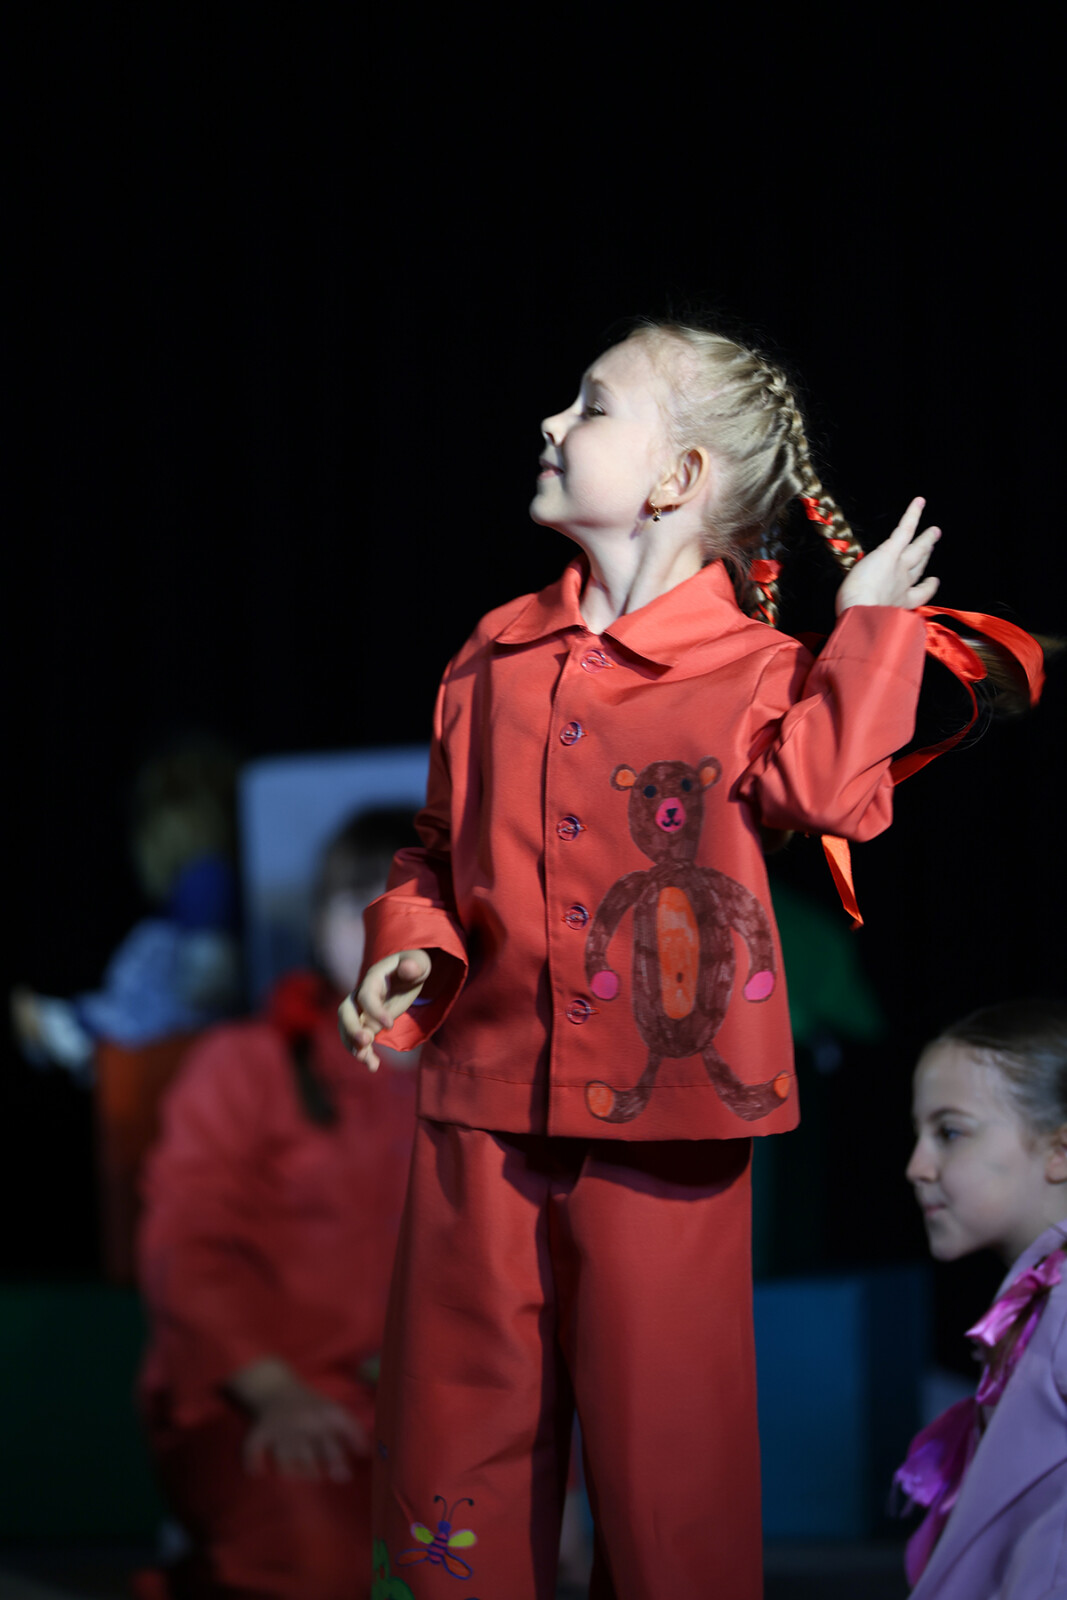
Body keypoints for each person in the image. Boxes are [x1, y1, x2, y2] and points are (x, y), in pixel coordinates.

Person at [339, 319, 1043, 1600]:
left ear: (677, 477)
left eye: (592, 406)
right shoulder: (492, 652)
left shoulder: (757, 670)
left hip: (665, 1124)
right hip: (480, 1109)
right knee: (453, 1449)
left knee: (666, 1473)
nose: (552, 422)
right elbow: (433, 850)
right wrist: (410, 943)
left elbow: (828, 795)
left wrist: (869, 632)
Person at [136, 808, 419, 1600]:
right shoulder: (245, 1064)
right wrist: (274, 1392)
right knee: (317, 1565)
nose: (381, 927)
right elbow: (184, 1245)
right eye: (356, 901)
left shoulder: (490, 1087)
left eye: (410, 903)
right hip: (264, 1394)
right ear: (319, 924)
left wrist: (559, 1479)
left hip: (433, 1421)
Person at [896, 1000, 1067, 1598]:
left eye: (949, 1132)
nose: (917, 1167)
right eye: (918, 1135)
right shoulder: (1036, 1302)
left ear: (1060, 1151)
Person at [11, 736, 242, 1080]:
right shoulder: (200, 886)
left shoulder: (206, 877)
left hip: (175, 1047)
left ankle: (67, 1027)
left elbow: (207, 983)